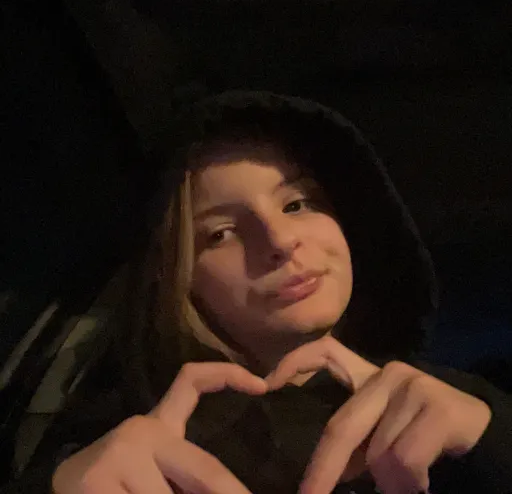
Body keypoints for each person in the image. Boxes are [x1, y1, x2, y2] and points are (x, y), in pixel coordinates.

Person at [4, 91, 511, 494]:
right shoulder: (126, 437)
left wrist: (493, 442)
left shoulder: (451, 402)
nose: (280, 242)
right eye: (221, 233)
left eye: (297, 204)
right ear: (177, 277)